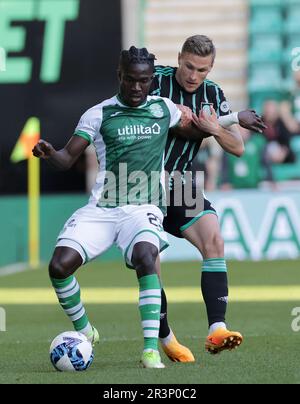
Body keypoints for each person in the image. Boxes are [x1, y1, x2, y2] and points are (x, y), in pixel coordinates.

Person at [32, 46, 207, 369]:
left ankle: (151, 349)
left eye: (143, 81)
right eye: (130, 80)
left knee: (146, 256)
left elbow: (196, 129)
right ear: (119, 77)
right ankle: (86, 331)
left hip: (143, 208)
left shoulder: (164, 109)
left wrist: (231, 121)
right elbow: (66, 159)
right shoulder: (98, 114)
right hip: (102, 208)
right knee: (58, 267)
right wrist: (48, 153)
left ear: (152, 80)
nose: (137, 88)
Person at [149, 35, 267, 361]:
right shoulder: (153, 81)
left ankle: (217, 329)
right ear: (179, 59)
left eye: (201, 69)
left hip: (182, 183)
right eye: (188, 66)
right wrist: (207, 123)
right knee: (150, 260)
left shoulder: (212, 93)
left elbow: (238, 147)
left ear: (210, 68)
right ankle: (166, 338)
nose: (193, 75)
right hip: (140, 182)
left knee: (214, 239)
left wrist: (216, 128)